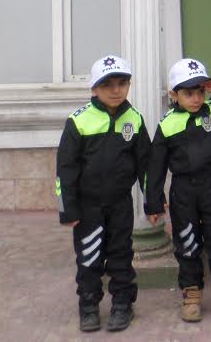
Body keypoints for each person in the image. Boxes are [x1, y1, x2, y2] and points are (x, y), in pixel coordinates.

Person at [145, 58, 211, 327]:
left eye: (200, 91)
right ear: (174, 95)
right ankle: (191, 294)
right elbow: (155, 167)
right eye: (188, 93)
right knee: (188, 243)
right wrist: (154, 202)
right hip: (184, 191)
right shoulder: (167, 124)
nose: (195, 98)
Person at [55, 55, 151, 333]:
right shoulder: (79, 122)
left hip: (120, 204)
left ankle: (123, 304)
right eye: (107, 84)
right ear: (94, 89)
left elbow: (146, 164)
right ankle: (88, 306)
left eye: (122, 83)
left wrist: (152, 199)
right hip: (87, 207)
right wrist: (67, 209)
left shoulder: (134, 119)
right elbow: (65, 170)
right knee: (89, 256)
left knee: (121, 254)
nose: (115, 90)